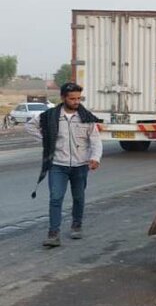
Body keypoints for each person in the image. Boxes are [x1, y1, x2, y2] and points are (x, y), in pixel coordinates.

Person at [26, 82, 102, 247]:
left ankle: (76, 225)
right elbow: (30, 126)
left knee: (78, 197)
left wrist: (95, 157)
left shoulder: (86, 117)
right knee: (55, 198)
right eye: (72, 98)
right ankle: (53, 233)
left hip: (80, 166)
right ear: (63, 98)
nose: (76, 102)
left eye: (78, 98)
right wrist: (46, 141)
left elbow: (95, 140)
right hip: (57, 165)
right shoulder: (51, 115)